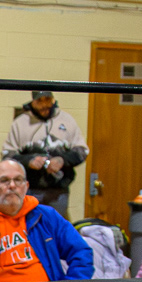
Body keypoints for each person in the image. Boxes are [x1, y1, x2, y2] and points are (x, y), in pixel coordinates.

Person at [0, 157, 94, 282]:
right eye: (4, 180)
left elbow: (81, 252)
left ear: (26, 186)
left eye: (18, 180)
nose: (12, 186)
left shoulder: (46, 216)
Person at [2, 88, 89, 216]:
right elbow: (7, 155)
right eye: (40, 101)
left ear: (53, 100)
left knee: (55, 225)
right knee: (30, 224)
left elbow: (82, 151)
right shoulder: (20, 123)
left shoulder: (67, 120)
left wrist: (62, 160)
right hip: (29, 190)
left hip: (59, 191)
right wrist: (29, 161)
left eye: (47, 100)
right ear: (33, 102)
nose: (44, 105)